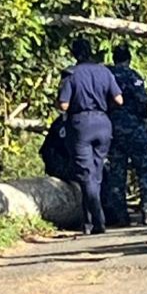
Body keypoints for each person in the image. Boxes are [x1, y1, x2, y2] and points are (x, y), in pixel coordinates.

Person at [57, 37, 123, 235]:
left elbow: (63, 105)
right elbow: (119, 99)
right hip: (103, 123)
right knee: (96, 173)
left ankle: (98, 220)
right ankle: (88, 222)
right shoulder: (104, 71)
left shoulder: (71, 74)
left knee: (86, 175)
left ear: (74, 54)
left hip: (81, 125)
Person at [106, 44, 147, 226]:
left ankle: (120, 215)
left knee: (117, 171)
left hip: (112, 128)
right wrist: (143, 118)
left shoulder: (107, 76)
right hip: (133, 128)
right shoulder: (133, 76)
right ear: (128, 59)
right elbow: (142, 101)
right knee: (144, 168)